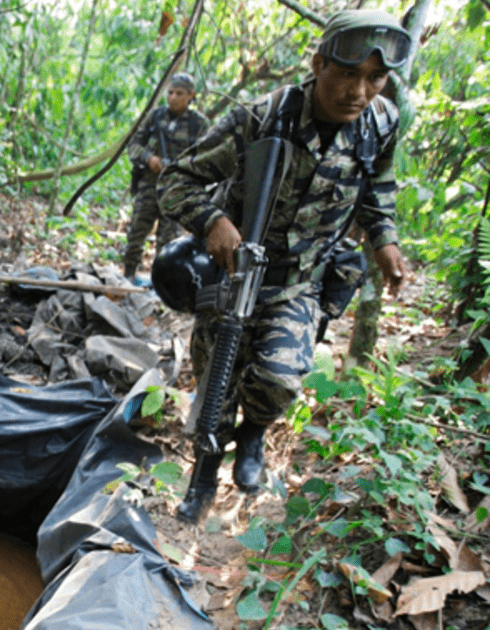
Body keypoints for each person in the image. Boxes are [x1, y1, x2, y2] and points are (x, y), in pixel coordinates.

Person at [158, 9, 410, 522]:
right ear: (318, 64)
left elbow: (377, 190)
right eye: (346, 73)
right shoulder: (261, 118)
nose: (359, 91)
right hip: (232, 275)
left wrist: (384, 240)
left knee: (278, 378)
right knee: (215, 383)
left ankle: (253, 438)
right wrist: (213, 223)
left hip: (302, 281)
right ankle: (202, 480)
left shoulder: (380, 125)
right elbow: (176, 181)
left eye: (375, 79)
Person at [122, 73, 210, 284]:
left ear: (191, 96)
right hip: (149, 185)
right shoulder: (155, 117)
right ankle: (128, 275)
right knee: (136, 232)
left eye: (179, 93)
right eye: (170, 92)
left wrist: (178, 168)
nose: (173, 97)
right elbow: (133, 145)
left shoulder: (198, 124)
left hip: (176, 190)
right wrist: (148, 158)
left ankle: (160, 283)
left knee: (169, 241)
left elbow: (205, 157)